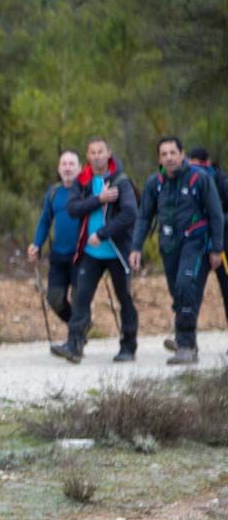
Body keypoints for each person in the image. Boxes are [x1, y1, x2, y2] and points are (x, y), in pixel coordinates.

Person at [129, 136, 225, 364]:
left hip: (195, 243)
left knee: (185, 285)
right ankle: (186, 336)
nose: (169, 158)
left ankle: (185, 344)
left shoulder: (199, 179)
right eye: (164, 154)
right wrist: (136, 247)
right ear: (159, 158)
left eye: (173, 153)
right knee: (178, 294)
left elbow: (216, 215)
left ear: (182, 154)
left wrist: (217, 249)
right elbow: (144, 217)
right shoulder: (155, 183)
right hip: (168, 245)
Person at [50, 136, 139, 363]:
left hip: (117, 250)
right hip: (91, 253)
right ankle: (74, 345)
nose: (97, 155)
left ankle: (128, 346)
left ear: (108, 152)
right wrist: (98, 199)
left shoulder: (121, 180)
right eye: (92, 152)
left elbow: (130, 213)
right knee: (81, 298)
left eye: (101, 151)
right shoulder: (83, 181)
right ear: (87, 156)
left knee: (124, 298)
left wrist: (102, 233)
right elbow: (72, 209)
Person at [27, 150, 83, 324]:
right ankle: (79, 325)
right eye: (64, 164)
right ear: (59, 169)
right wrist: (37, 244)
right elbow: (45, 221)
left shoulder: (86, 192)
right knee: (54, 299)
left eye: (71, 164)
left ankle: (76, 336)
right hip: (58, 256)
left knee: (80, 299)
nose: (68, 168)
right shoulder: (53, 193)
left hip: (81, 255)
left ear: (79, 168)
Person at [188, 147, 228, 328]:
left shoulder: (221, 181)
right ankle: (186, 339)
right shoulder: (187, 182)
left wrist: (214, 218)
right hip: (197, 246)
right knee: (191, 291)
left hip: (223, 246)